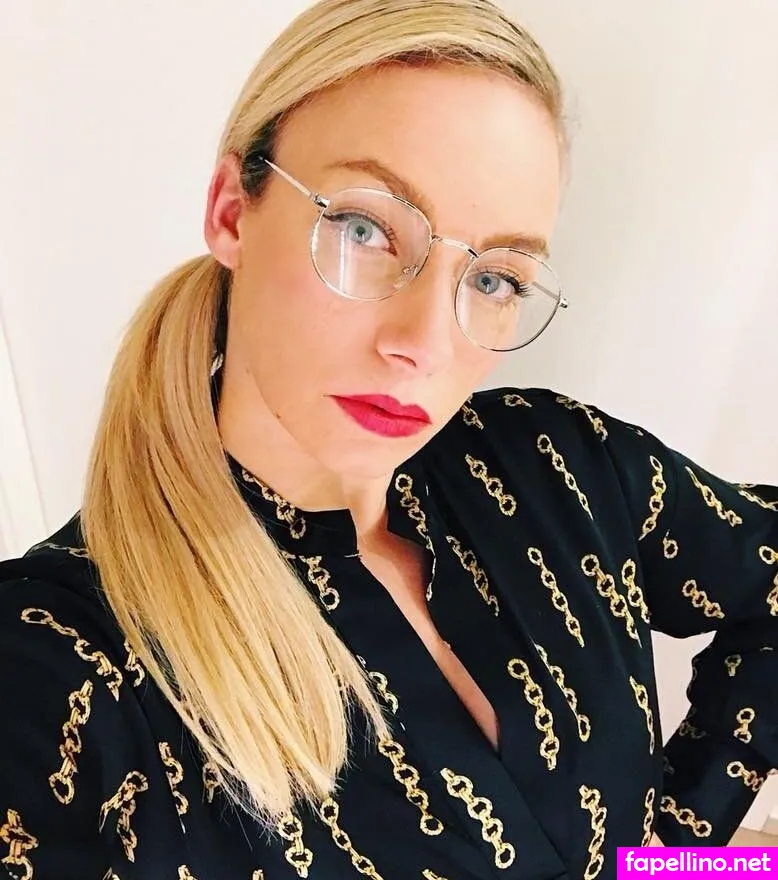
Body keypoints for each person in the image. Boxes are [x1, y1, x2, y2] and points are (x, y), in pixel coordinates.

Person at [1, 0, 776, 877]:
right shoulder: (53, 668)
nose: (426, 344)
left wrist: (678, 855)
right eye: (365, 229)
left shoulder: (560, 464)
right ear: (231, 212)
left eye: (496, 277)